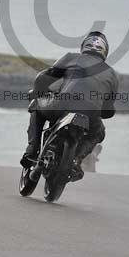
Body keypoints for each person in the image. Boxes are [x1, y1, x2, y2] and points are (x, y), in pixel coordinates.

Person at [20, 31, 120, 181]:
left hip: (62, 105)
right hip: (91, 115)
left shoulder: (71, 58)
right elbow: (108, 109)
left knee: (36, 105)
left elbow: (44, 77)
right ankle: (76, 160)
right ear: (105, 51)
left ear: (84, 46)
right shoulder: (112, 74)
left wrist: (37, 92)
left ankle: (32, 151)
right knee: (98, 133)